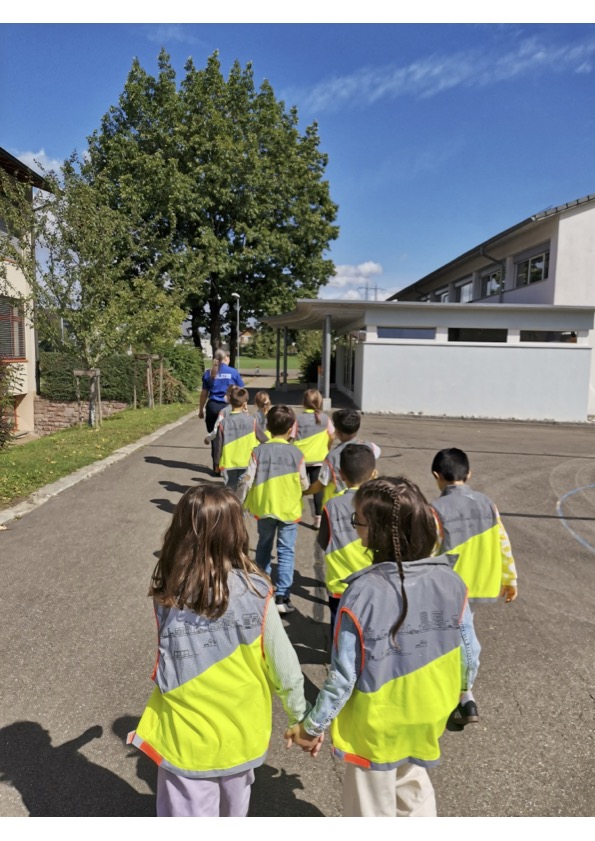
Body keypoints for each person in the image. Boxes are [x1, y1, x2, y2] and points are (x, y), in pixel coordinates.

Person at [285, 477, 474, 818]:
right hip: (428, 712)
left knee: (370, 809)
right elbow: (470, 653)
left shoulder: (362, 593)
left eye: (358, 520)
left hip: (377, 725)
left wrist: (311, 726)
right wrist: (463, 694)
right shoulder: (453, 581)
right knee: (414, 792)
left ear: (375, 530)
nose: (355, 527)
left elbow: (343, 676)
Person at [128, 486, 309, 818]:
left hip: (184, 734)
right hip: (241, 732)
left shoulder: (167, 592)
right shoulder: (258, 590)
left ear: (180, 531)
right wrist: (300, 717)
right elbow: (285, 665)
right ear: (237, 531)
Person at [430, 447, 518, 729]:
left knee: (464, 635)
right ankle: (457, 687)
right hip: (478, 581)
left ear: (436, 476)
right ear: (469, 474)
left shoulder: (435, 510)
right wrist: (509, 578)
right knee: (460, 631)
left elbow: (430, 551)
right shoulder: (487, 503)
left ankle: (465, 694)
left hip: (449, 587)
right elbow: (502, 540)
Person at [239, 405, 309, 614]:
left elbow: (247, 480)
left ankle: (261, 588)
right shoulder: (297, 453)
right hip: (289, 509)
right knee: (286, 551)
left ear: (267, 426)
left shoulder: (258, 451)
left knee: (263, 546)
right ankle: (282, 596)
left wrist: (240, 503)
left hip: (264, 507)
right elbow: (304, 483)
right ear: (291, 429)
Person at [317, 444, 377, 643]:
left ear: (341, 474)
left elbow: (323, 541)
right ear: (374, 474)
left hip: (340, 582)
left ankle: (339, 664)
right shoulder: (380, 502)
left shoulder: (332, 505)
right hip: (374, 582)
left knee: (340, 630)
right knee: (370, 626)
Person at [304, 408, 381, 507]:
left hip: (338, 504)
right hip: (363, 500)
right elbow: (378, 451)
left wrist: (304, 492)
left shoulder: (332, 457)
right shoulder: (370, 447)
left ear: (338, 432)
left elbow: (321, 484)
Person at [292, 389, 334, 529]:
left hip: (301, 460)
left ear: (303, 402)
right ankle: (318, 518)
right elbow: (332, 435)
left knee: (297, 488)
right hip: (318, 459)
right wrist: (327, 447)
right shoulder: (325, 419)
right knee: (317, 489)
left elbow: (291, 436)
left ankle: (293, 513)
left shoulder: (298, 419)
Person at [199, 349, 244, 473]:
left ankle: (216, 466)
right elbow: (241, 392)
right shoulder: (233, 372)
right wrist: (244, 407)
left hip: (213, 406)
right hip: (229, 407)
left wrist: (201, 410)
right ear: (226, 358)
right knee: (229, 437)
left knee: (214, 436)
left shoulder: (208, 373)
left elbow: (204, 394)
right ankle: (228, 466)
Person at [213, 387, 266, 491]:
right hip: (247, 462)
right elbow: (264, 440)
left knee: (230, 489)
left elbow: (218, 445)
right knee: (244, 487)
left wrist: (217, 463)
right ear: (245, 403)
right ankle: (242, 505)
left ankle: (232, 506)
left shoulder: (223, 423)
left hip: (229, 463)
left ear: (229, 400)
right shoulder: (252, 421)